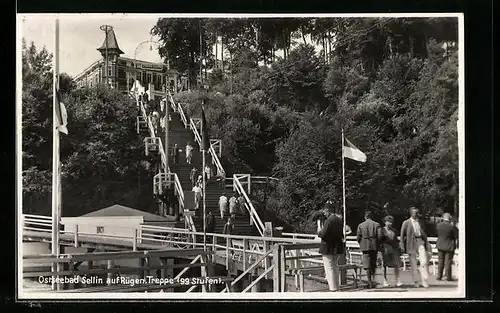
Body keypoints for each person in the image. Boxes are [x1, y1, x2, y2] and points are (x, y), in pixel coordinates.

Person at [400, 207, 431, 288]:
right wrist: (402, 245)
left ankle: (424, 280)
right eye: (415, 213)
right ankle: (416, 281)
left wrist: (426, 242)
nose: (417, 214)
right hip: (411, 243)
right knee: (413, 263)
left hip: (420, 241)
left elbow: (424, 233)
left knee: (423, 261)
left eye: (418, 212)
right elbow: (402, 235)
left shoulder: (420, 222)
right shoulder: (406, 222)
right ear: (411, 213)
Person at [317, 208, 344, 292]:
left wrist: (319, 230)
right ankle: (337, 287)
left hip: (328, 247)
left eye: (325, 212)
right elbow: (341, 234)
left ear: (328, 211)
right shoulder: (339, 220)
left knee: (329, 267)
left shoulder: (328, 221)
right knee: (335, 266)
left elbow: (323, 234)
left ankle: (333, 288)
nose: (324, 214)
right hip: (336, 246)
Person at [356, 210, 383, 289]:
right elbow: (380, 236)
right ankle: (373, 279)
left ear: (365, 217)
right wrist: (377, 243)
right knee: (373, 263)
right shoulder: (377, 224)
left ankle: (369, 281)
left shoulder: (361, 225)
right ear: (372, 217)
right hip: (374, 245)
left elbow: (358, 236)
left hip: (365, 246)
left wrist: (361, 243)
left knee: (367, 264)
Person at [380, 215, 402, 287]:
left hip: (394, 249)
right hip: (385, 249)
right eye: (388, 222)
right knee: (384, 265)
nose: (390, 223)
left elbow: (396, 240)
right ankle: (385, 280)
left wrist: (398, 246)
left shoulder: (394, 230)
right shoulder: (381, 230)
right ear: (385, 222)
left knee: (396, 265)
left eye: (391, 222)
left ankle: (398, 280)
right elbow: (379, 240)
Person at [436, 213, 458, 281]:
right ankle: (448, 277)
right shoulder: (452, 227)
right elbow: (456, 236)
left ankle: (439, 276)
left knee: (440, 261)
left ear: (443, 218)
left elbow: (438, 234)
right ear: (449, 218)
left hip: (440, 245)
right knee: (448, 262)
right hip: (449, 245)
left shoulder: (439, 225)